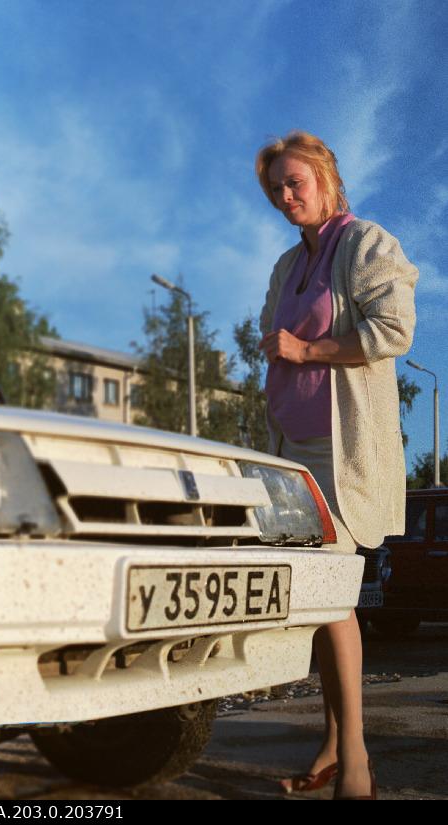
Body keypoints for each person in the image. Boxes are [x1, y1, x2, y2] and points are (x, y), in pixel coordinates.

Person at [256, 131, 417, 799]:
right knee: (315, 602)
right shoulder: (284, 266)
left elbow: (392, 330)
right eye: (274, 190)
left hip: (340, 452)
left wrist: (307, 352)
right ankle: (329, 744)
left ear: (327, 179)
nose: (285, 196)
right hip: (291, 454)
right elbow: (272, 339)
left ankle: (354, 759)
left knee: (333, 599)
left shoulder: (366, 244)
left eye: (294, 181)